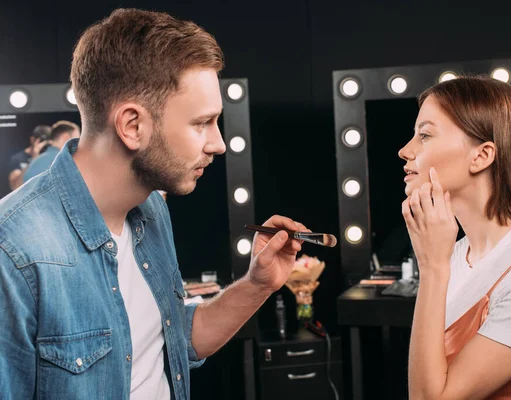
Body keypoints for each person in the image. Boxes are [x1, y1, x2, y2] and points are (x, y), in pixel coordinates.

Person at [0, 9, 310, 400]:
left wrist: (257, 284)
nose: (218, 143)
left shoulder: (152, 210)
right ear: (132, 126)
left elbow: (173, 338)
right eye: (202, 123)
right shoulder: (12, 252)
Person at [398, 76, 511, 399]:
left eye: (424, 135)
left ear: (481, 156)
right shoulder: (455, 255)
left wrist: (432, 268)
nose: (405, 151)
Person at [7, 124, 51, 190]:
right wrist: (34, 160)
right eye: (41, 141)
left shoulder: (51, 157)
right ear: (32, 140)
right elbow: (15, 187)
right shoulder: (17, 159)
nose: (43, 145)